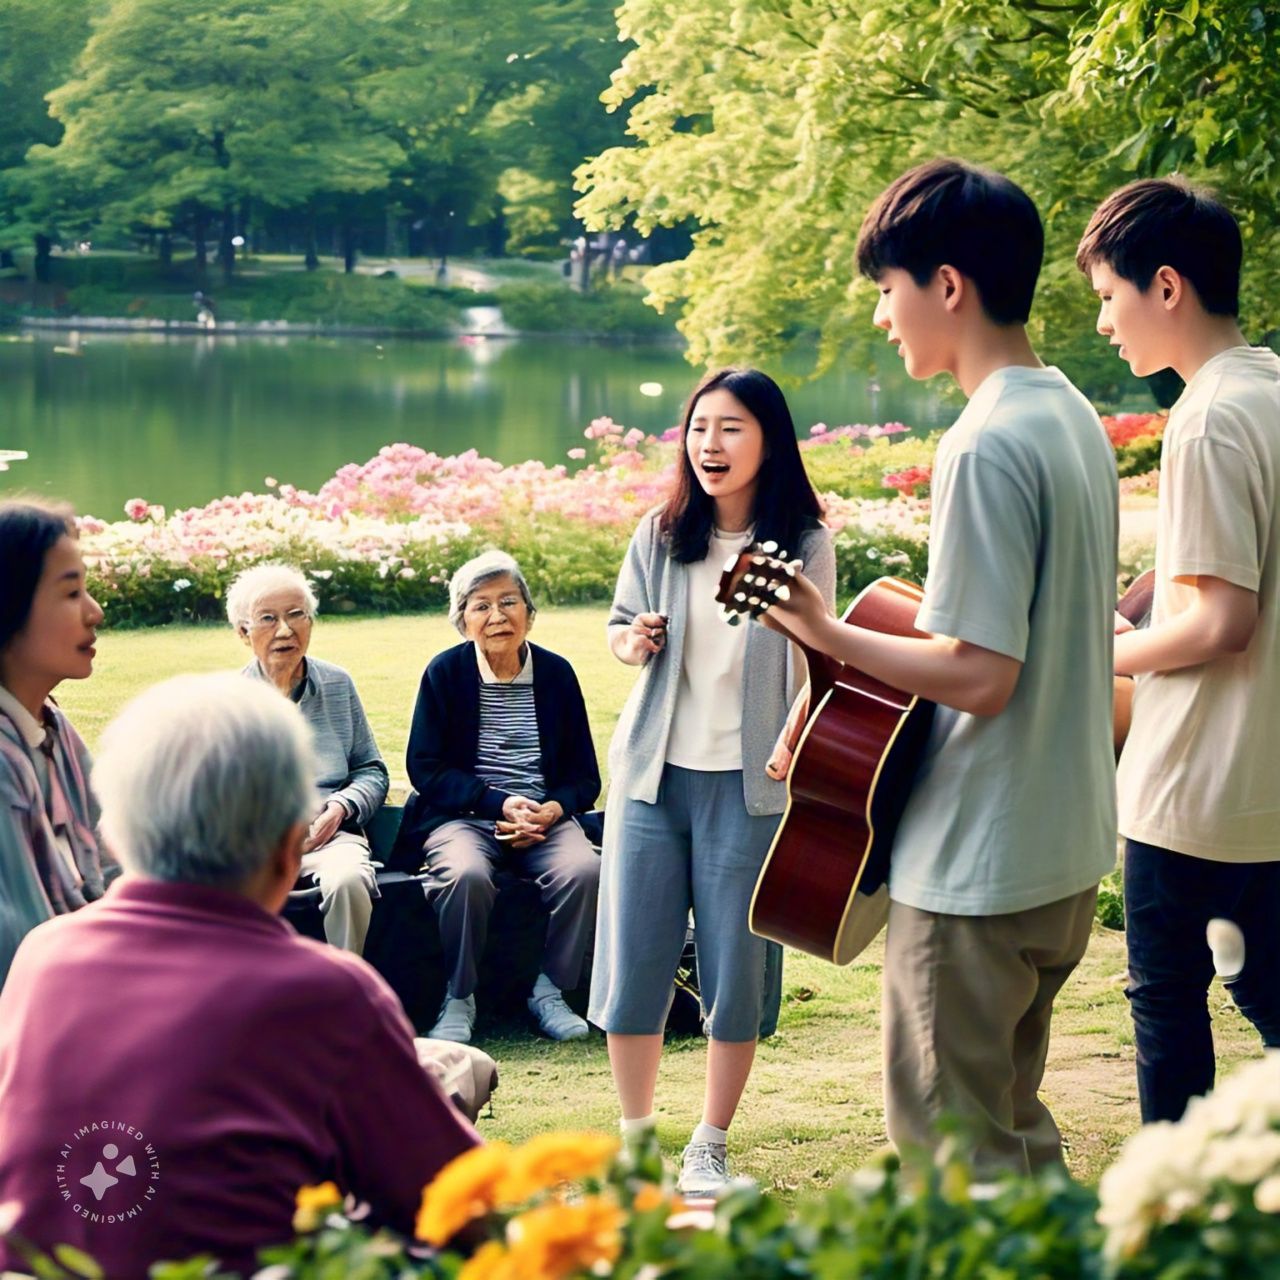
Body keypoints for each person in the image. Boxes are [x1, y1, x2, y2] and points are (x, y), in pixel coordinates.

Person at [764, 160, 1118, 1175]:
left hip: (977, 865)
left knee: (953, 1164)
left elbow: (979, 671)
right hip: (1058, 851)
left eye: (888, 289)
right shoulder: (1069, 418)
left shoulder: (983, 441)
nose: (883, 316)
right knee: (1017, 1138)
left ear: (947, 286)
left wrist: (825, 633)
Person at [0, 673, 479, 1279]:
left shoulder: (43, 956)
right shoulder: (325, 992)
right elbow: (462, 1201)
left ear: (116, 834)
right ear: (289, 847)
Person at [589, 367, 835, 1196]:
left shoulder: (802, 542)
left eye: (730, 428)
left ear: (769, 438)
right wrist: (635, 643)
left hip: (749, 789)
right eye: (700, 428)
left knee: (738, 969)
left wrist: (795, 731)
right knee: (636, 963)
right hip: (653, 783)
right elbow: (620, 628)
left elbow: (821, 664)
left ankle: (709, 1146)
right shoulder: (661, 534)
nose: (710, 445)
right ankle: (633, 1145)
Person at [1077, 178, 1280, 1123]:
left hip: (1197, 787)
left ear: (1166, 287)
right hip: (1260, 785)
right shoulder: (1269, 387)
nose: (1108, 322)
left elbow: (1221, 623)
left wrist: (1097, 655)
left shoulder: (1205, 415)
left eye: (1110, 296)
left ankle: (1173, 1231)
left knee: (1169, 1009)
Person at [398, 550, 601, 1044]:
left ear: (529, 613)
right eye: (481, 605)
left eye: (509, 602)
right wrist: (496, 803)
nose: (497, 616)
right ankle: (459, 995)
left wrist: (553, 808)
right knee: (465, 874)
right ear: (462, 620)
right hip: (465, 815)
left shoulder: (556, 674)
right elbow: (424, 767)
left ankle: (550, 990)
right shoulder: (445, 673)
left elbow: (584, 775)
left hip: (544, 818)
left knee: (586, 871)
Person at [228, 564, 388, 955]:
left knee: (349, 880)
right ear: (243, 632)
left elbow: (372, 770)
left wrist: (340, 808)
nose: (285, 630)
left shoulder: (337, 683)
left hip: (331, 834)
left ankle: (346, 992)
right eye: (268, 619)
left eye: (296, 614)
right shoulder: (230, 701)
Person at [0, 499, 106, 987]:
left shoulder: (53, 730)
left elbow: (114, 858)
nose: (95, 612)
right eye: (71, 593)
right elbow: (22, 940)